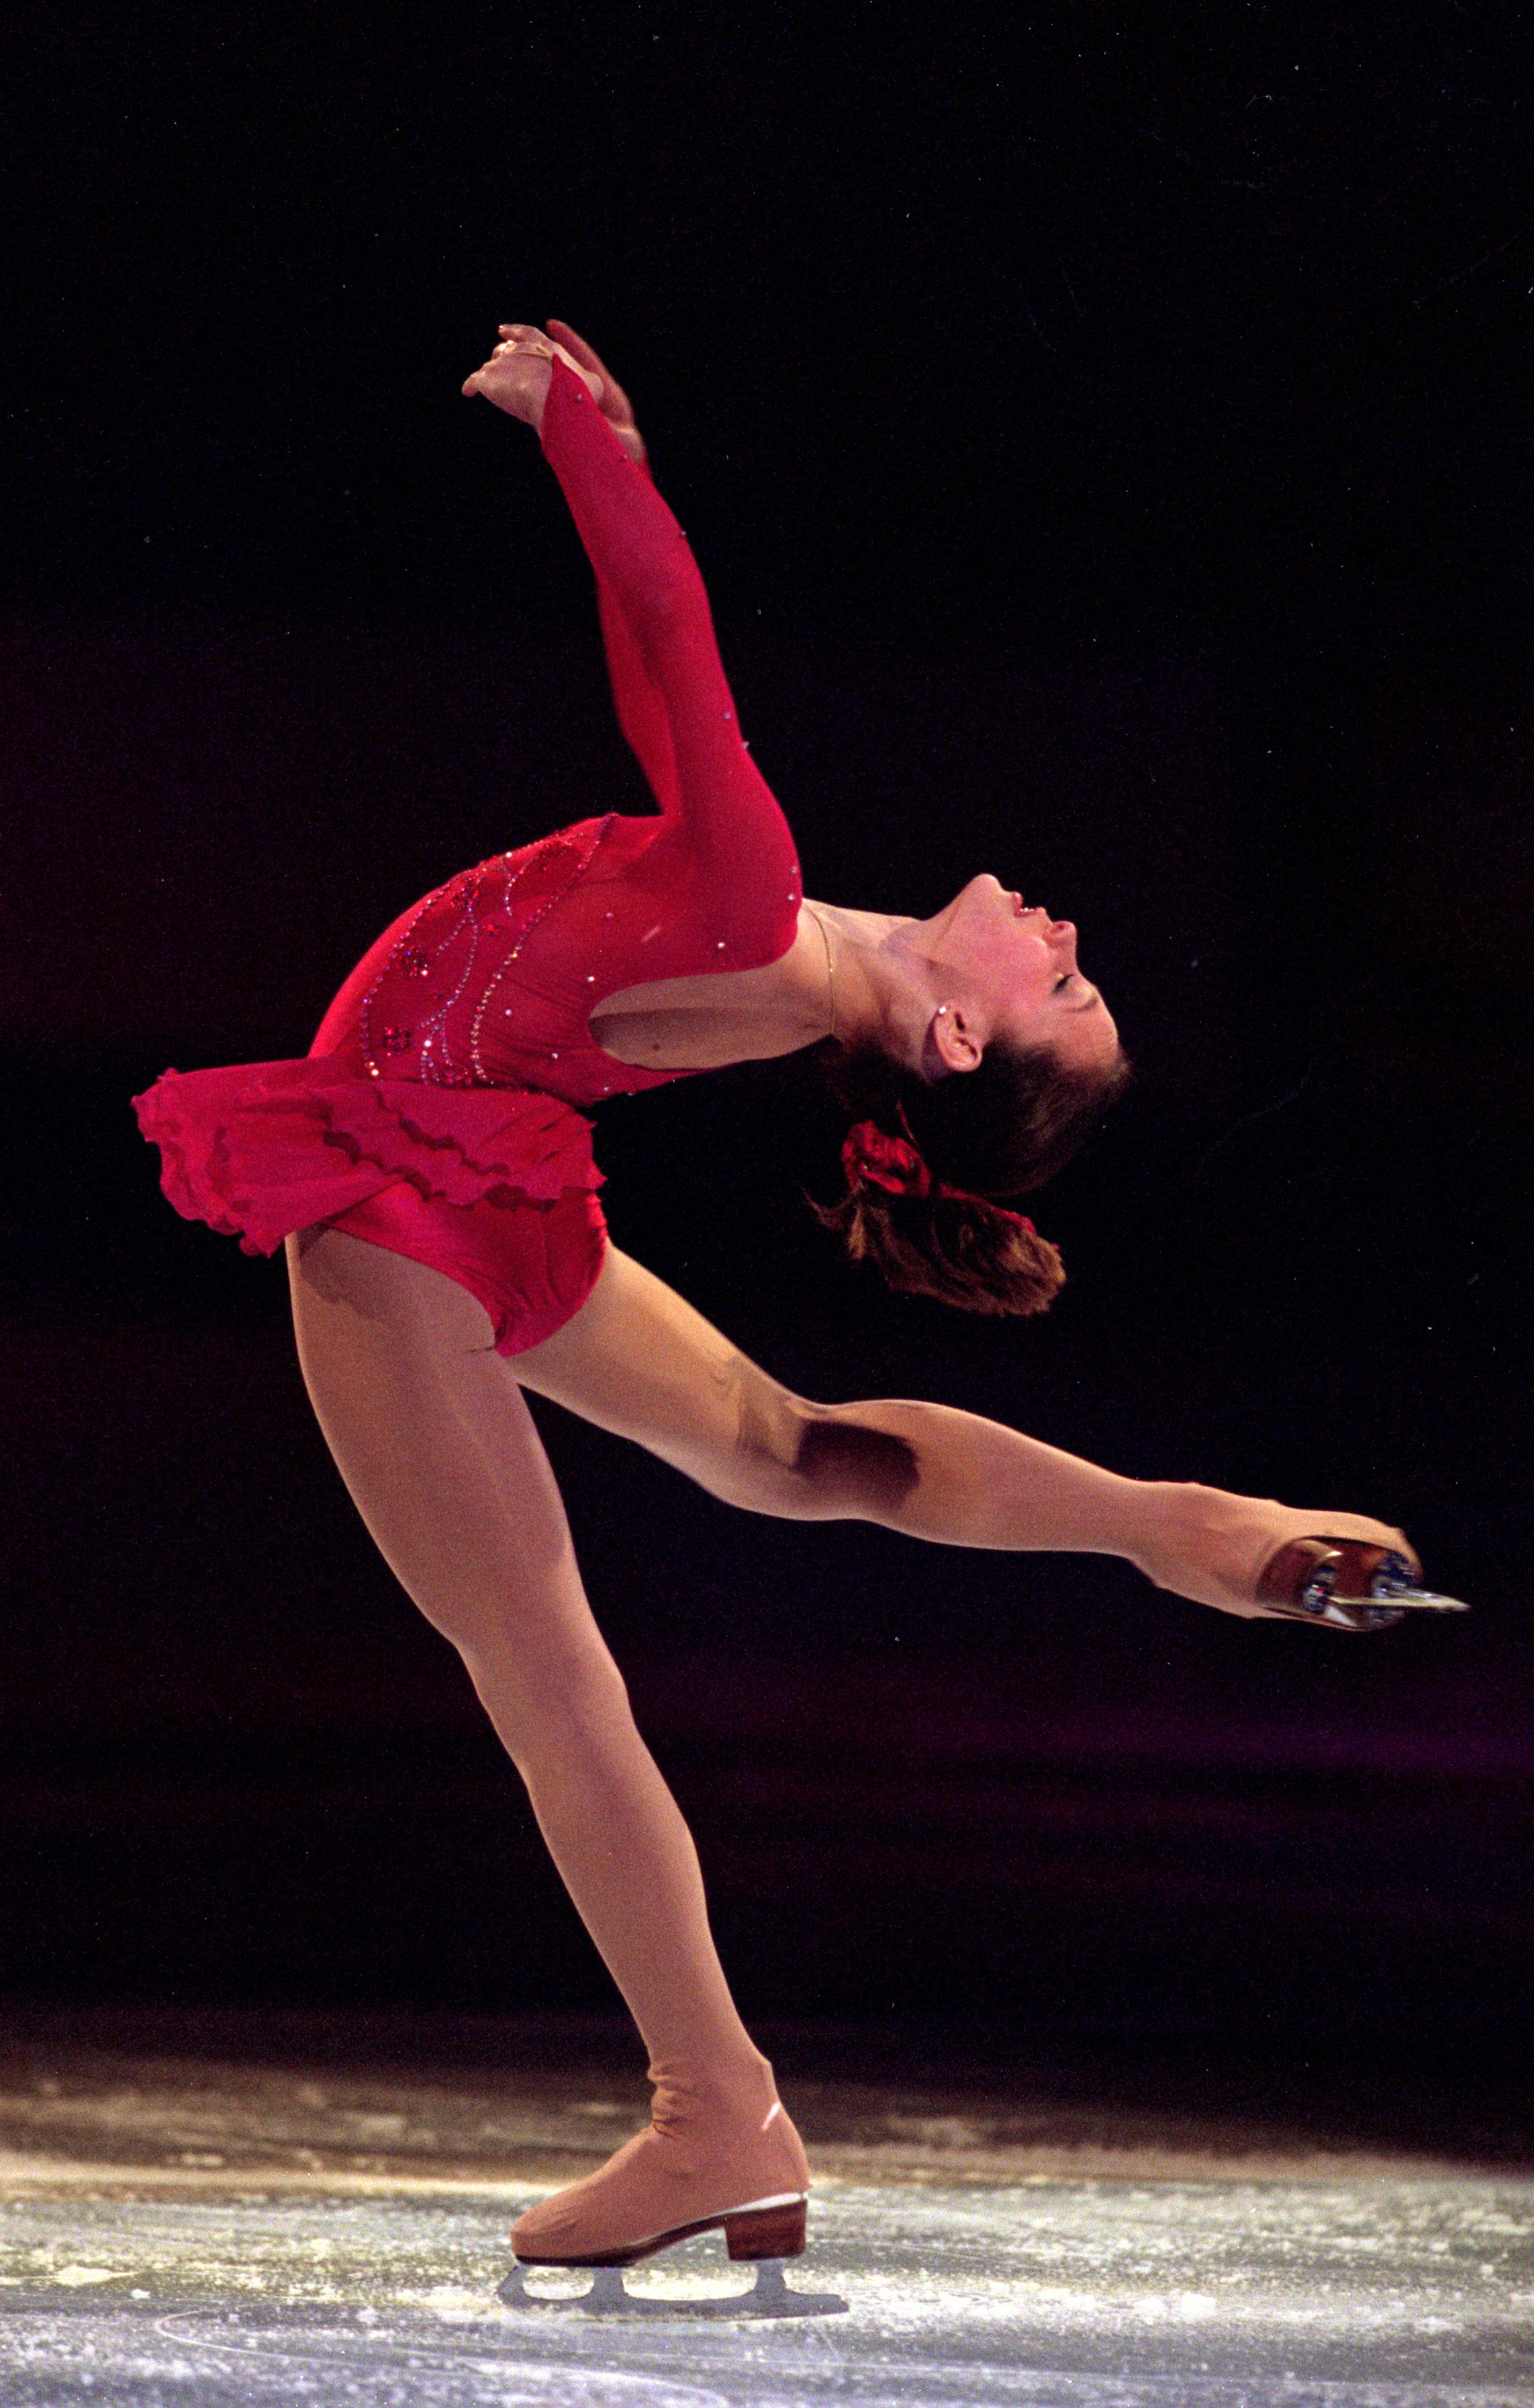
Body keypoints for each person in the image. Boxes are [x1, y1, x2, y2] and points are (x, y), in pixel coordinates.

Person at [134, 321, 1421, 2282]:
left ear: (961, 1027)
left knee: (549, 1668)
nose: (1064, 931)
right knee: (794, 1449)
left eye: (1062, 984)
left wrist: (584, 437)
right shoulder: (790, 947)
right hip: (502, 1182)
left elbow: (670, 636)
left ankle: (710, 2111)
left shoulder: (753, 904)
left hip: (406, 1202)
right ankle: (1185, 1528)